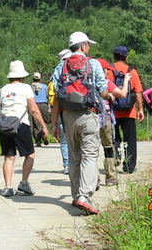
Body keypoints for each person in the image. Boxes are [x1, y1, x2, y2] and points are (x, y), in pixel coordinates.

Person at [51, 32, 108, 215]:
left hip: (68, 116)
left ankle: (76, 196)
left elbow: (56, 97)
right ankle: (85, 195)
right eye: (88, 44)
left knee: (74, 157)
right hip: (88, 114)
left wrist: (54, 124)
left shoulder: (61, 66)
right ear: (83, 46)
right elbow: (103, 89)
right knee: (90, 155)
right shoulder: (93, 64)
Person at [0, 60, 51, 197]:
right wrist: (43, 126)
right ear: (22, 76)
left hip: (5, 126)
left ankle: (8, 187)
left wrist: (3, 119)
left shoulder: (2, 89)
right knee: (29, 154)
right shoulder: (25, 88)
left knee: (9, 157)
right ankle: (24, 182)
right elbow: (33, 110)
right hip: (21, 124)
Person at [94, 56, 132, 186]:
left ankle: (94, 179)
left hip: (90, 118)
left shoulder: (86, 82)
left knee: (91, 150)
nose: (107, 72)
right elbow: (122, 94)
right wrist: (126, 80)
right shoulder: (105, 82)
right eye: (106, 70)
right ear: (101, 70)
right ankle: (110, 177)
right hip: (105, 119)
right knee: (108, 147)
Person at [111, 45, 145, 174]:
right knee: (129, 139)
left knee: (114, 137)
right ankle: (129, 166)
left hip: (113, 111)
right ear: (126, 57)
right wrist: (140, 109)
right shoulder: (131, 71)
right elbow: (138, 92)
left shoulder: (109, 70)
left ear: (114, 56)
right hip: (129, 111)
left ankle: (116, 158)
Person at [48, 49, 71, 175]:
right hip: (78, 109)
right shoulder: (79, 65)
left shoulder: (58, 69)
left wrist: (54, 123)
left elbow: (56, 91)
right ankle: (77, 164)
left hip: (62, 109)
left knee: (64, 141)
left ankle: (67, 166)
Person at [31, 72, 50, 146]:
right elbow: (47, 96)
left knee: (36, 124)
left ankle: (38, 141)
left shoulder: (30, 87)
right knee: (44, 122)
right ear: (40, 79)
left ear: (33, 78)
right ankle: (44, 135)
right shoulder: (44, 86)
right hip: (44, 105)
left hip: (34, 105)